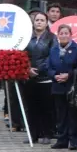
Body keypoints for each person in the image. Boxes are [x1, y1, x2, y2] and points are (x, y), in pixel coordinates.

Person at [48, 22, 77, 150]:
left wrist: (69, 75)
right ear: (57, 35)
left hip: (73, 87)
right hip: (58, 86)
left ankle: (74, 141)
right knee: (61, 115)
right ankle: (62, 139)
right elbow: (49, 67)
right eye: (61, 33)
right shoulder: (53, 49)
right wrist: (54, 75)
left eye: (66, 33)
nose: (63, 36)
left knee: (74, 115)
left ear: (71, 35)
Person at [24, 10, 55, 143]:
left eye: (42, 20)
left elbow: (52, 56)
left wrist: (41, 69)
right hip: (29, 76)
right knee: (31, 107)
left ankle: (47, 134)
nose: (39, 22)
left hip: (45, 77)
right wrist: (27, 68)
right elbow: (22, 55)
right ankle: (33, 134)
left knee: (46, 107)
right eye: (37, 20)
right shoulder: (26, 37)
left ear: (46, 23)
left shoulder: (52, 38)